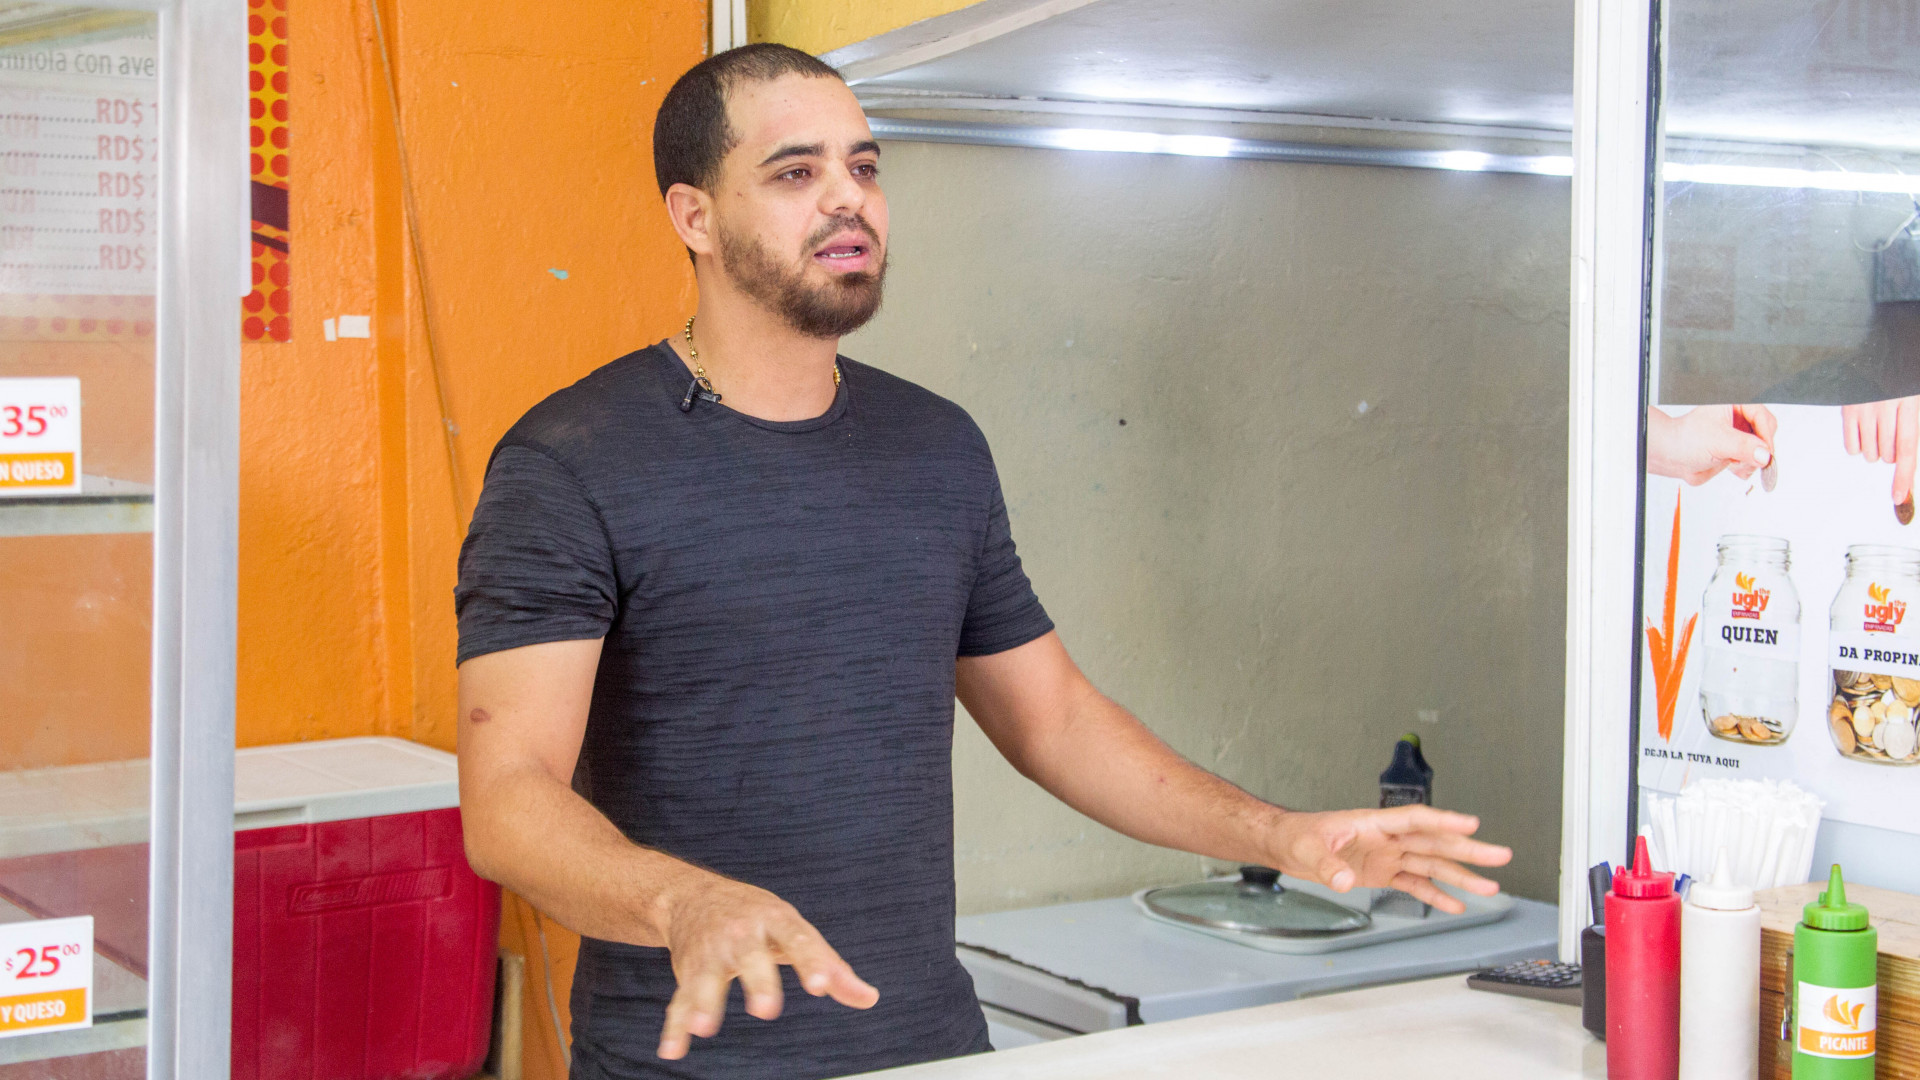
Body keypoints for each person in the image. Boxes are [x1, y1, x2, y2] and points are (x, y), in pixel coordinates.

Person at [453, 43, 1512, 1080]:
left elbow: (1054, 722)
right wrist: (683, 901)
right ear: (694, 217)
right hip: (688, 1067)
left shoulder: (936, 446)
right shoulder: (572, 462)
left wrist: (1282, 837)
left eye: (864, 166)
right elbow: (508, 798)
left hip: (936, 1051)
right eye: (795, 173)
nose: (849, 198)